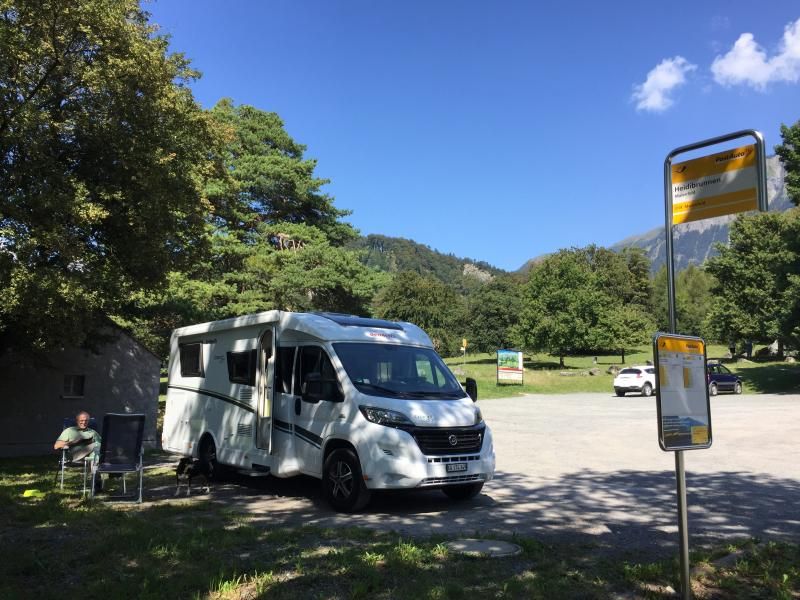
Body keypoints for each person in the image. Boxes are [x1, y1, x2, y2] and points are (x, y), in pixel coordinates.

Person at [55, 411, 102, 491]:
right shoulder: (69, 431)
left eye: (86, 421)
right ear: (77, 421)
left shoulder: (93, 432)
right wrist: (74, 442)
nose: (84, 423)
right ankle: (97, 481)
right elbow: (56, 446)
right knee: (96, 445)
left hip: (89, 457)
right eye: (81, 421)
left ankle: (95, 484)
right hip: (73, 455)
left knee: (97, 448)